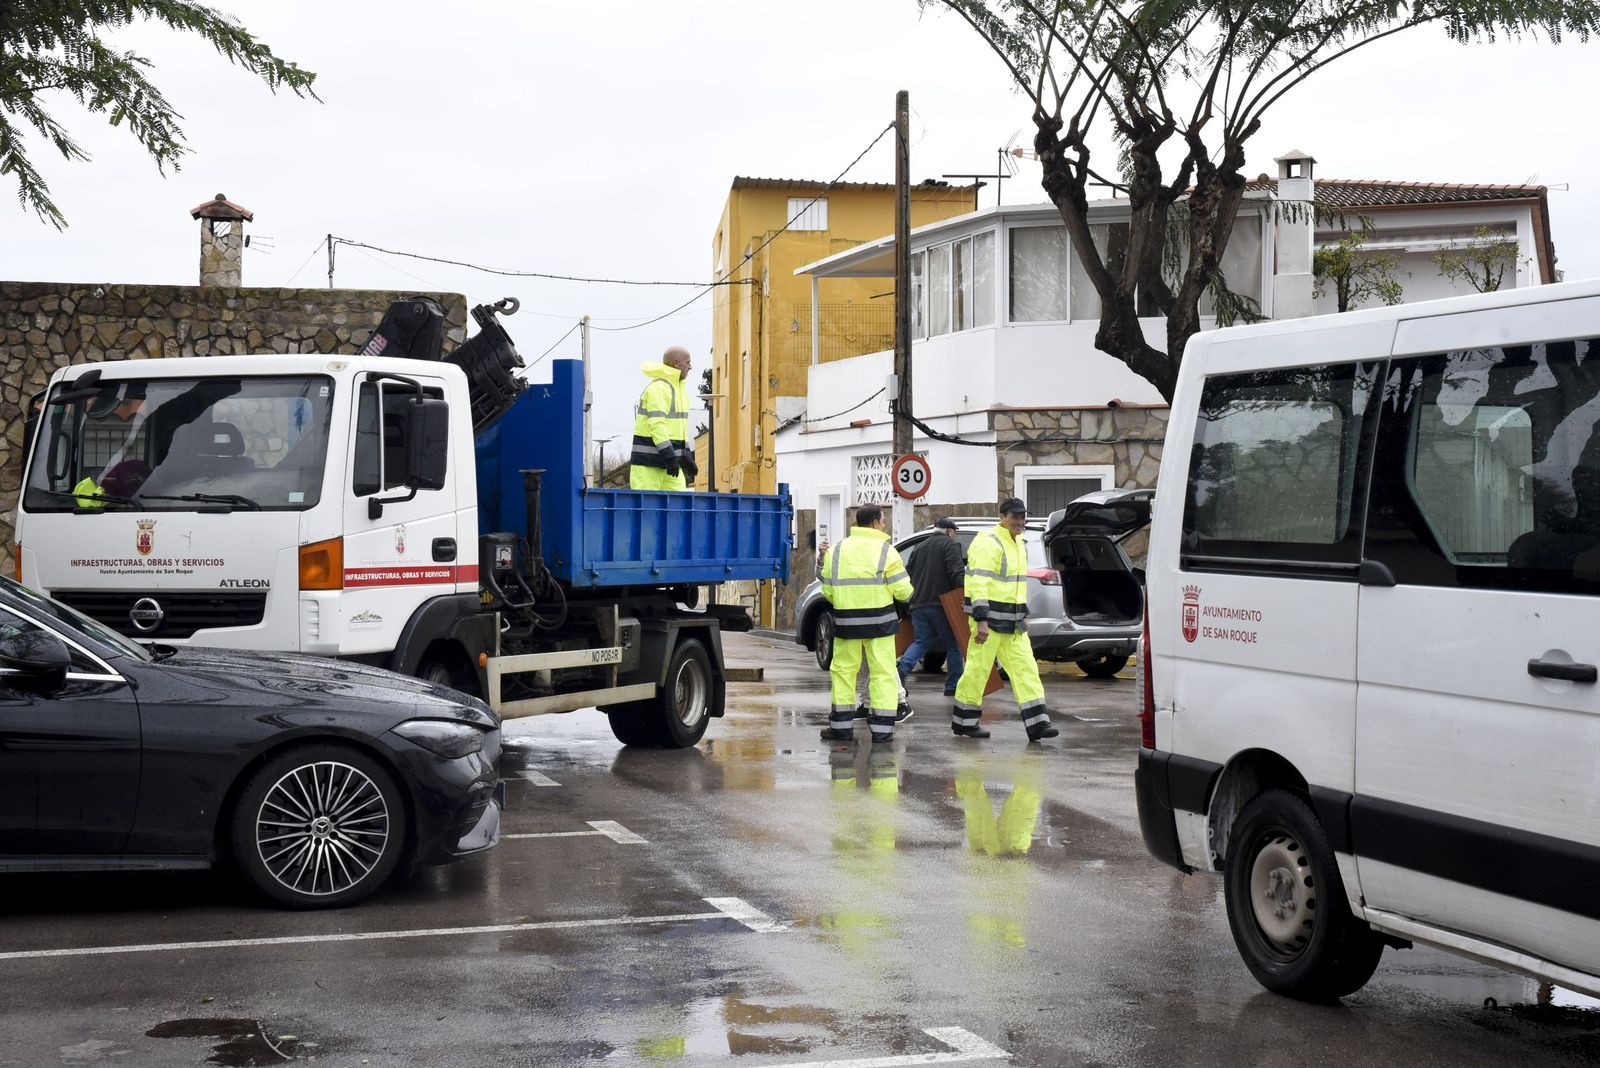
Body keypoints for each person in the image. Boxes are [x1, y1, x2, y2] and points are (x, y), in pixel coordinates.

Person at [950, 498, 1059, 742]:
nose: (1020, 521)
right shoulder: (989, 542)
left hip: (1012, 623)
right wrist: (981, 619)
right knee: (977, 672)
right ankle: (964, 723)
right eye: (1015, 516)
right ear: (1002, 517)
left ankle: (1038, 724)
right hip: (988, 621)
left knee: (1026, 670)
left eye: (1022, 517)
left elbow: (1016, 586)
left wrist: (1023, 615)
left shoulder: (1019, 543)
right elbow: (979, 581)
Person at [818, 503, 913, 745]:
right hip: (880, 625)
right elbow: (903, 591)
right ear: (874, 523)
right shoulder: (886, 550)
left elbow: (828, 590)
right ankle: (882, 730)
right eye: (883, 521)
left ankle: (841, 727)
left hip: (847, 623)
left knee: (843, 672)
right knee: (882, 673)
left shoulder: (837, 550)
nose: (885, 525)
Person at [895, 515, 966, 696]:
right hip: (943, 604)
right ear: (949, 531)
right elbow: (956, 572)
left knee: (921, 641)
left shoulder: (919, 547)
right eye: (954, 533)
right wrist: (966, 591)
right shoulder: (950, 545)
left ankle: (901, 670)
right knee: (954, 644)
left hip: (918, 604)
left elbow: (908, 574)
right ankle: (953, 686)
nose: (955, 536)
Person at [629, 346, 698, 491]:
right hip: (648, 466)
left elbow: (680, 429)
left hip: (670, 464)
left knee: (678, 510)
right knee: (646, 510)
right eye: (688, 362)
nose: (690, 367)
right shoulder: (659, 388)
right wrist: (670, 456)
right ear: (676, 363)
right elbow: (657, 425)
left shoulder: (679, 390)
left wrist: (686, 455)